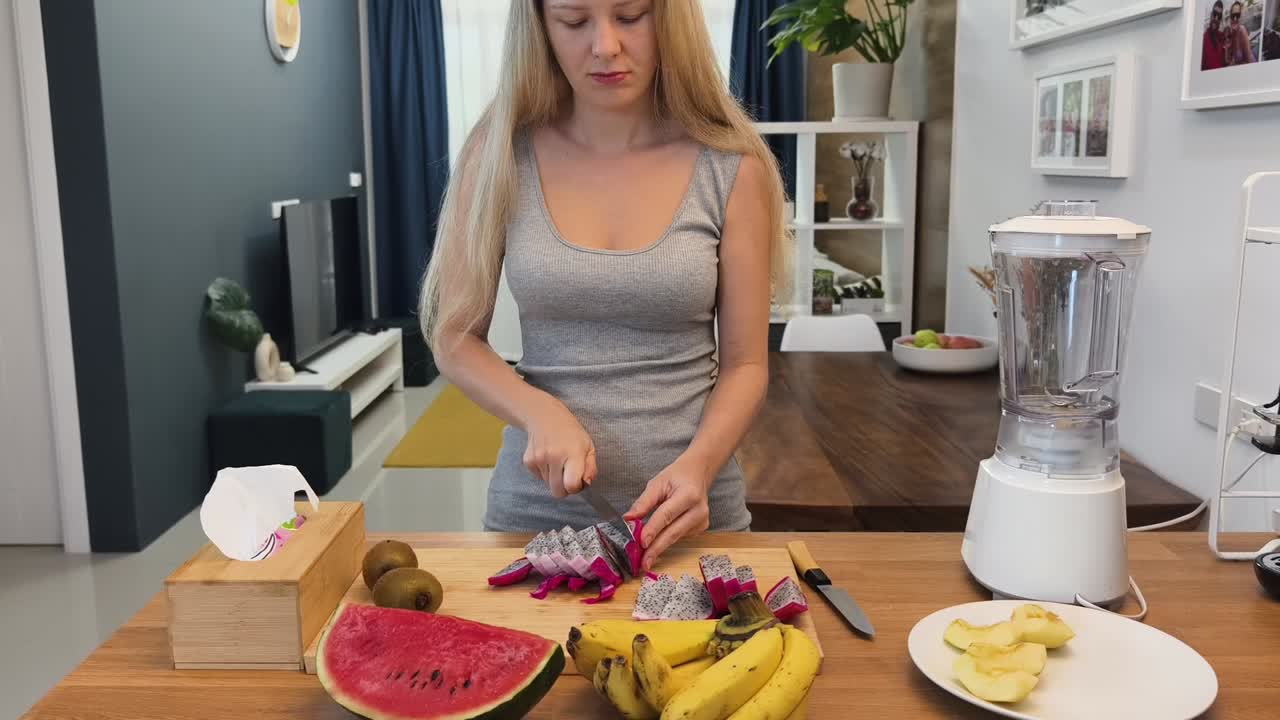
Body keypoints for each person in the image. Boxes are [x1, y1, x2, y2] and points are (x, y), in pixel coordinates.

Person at [419, 0, 790, 569]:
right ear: (540, 26)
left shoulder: (731, 166)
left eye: (631, 15)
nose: (605, 45)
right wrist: (539, 412)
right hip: (536, 522)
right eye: (574, 21)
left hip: (687, 520)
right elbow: (454, 338)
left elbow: (746, 366)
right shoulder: (496, 155)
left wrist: (698, 468)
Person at [1226, 1, 1257, 65]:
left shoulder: (1242, 31)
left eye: (1237, 15)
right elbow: (1228, 60)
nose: (1235, 18)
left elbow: (1249, 62)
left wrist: (1234, 64)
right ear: (1230, 16)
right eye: (1233, 15)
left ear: (1240, 16)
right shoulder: (1231, 32)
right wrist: (1227, 48)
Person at [1202, 1, 1227, 71]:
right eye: (1214, 14)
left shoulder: (1221, 36)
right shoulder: (1204, 39)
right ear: (1211, 15)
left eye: (1219, 16)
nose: (1216, 18)